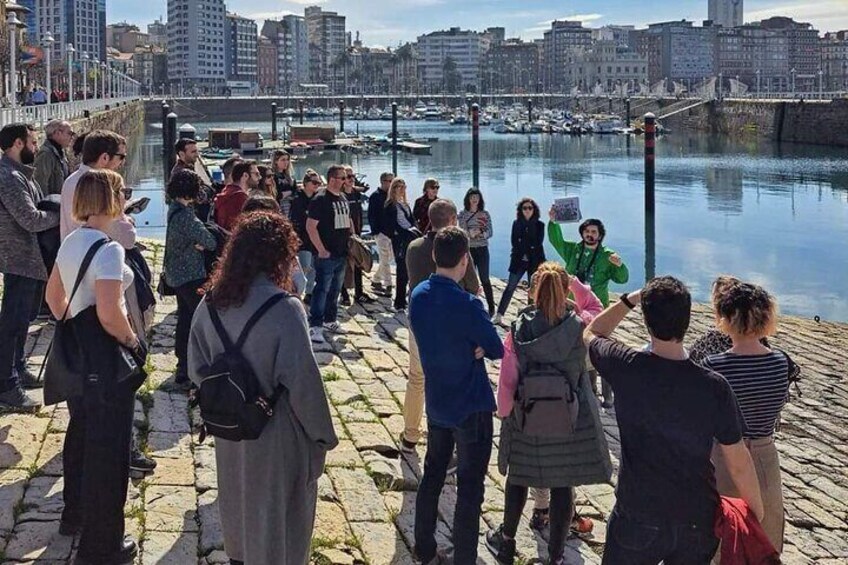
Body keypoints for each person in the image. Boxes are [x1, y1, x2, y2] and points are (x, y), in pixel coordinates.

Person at [188, 211, 338, 564]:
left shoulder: (209, 303)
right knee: (277, 525)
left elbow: (196, 368)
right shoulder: (285, 309)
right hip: (276, 434)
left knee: (239, 508)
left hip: (230, 431)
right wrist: (323, 438)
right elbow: (304, 385)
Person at [585, 276, 764, 564]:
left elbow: (593, 331)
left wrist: (632, 298)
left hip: (638, 513)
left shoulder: (626, 365)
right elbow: (739, 462)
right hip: (697, 517)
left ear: (647, 321)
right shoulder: (714, 386)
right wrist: (755, 516)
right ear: (687, 318)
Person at [45, 170, 143, 564]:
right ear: (111, 200)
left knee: (81, 434)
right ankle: (103, 544)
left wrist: (76, 329)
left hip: (80, 355)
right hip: (106, 356)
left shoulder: (71, 240)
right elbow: (109, 310)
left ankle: (75, 514)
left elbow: (54, 297)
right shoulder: (109, 250)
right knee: (110, 449)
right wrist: (132, 341)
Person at [486, 262, 607, 565]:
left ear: (532, 293)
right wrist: (574, 283)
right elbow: (596, 305)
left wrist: (504, 412)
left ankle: (507, 542)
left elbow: (507, 379)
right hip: (568, 419)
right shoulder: (581, 326)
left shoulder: (518, 330)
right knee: (562, 486)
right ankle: (555, 556)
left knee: (519, 479)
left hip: (528, 417)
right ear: (564, 290)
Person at [410, 226, 504, 565]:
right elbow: (496, 348)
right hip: (471, 405)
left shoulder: (418, 294)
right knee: (470, 488)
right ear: (465, 260)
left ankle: (424, 547)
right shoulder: (468, 304)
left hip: (438, 403)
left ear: (434, 255)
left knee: (432, 475)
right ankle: (464, 557)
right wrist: (475, 345)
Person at [703, 281, 791, 554]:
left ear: (725, 319)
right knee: (766, 531)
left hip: (723, 455)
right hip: (765, 453)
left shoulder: (714, 366)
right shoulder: (781, 362)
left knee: (720, 534)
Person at [400, 199, 479, 454]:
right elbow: (473, 286)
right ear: (453, 220)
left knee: (417, 378)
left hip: (420, 320)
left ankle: (410, 435)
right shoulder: (459, 250)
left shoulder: (413, 247)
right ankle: (451, 442)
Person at [0, 123, 60, 410]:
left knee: (23, 319)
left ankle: (18, 367)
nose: (37, 148)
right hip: (18, 258)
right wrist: (62, 217)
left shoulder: (21, 174)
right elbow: (30, 219)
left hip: (29, 258)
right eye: (33, 143)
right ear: (17, 144)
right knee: (12, 323)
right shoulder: (9, 177)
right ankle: (7, 384)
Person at [548, 216, 628, 408]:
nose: (589, 235)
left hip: (597, 310)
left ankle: (607, 395)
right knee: (581, 350)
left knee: (600, 351)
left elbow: (623, 279)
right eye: (587, 231)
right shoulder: (574, 250)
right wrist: (553, 221)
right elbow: (556, 240)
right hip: (575, 310)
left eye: (593, 232)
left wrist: (620, 265)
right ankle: (589, 390)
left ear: (600, 235)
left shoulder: (607, 255)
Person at [163, 169, 217, 385]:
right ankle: (197, 364)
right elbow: (211, 241)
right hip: (192, 275)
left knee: (185, 320)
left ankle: (182, 365)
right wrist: (201, 244)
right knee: (201, 320)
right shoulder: (187, 216)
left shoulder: (173, 209)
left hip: (175, 275)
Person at [306, 165, 351, 344]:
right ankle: (315, 324)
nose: (345, 181)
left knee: (335, 289)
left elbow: (347, 221)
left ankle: (330, 320)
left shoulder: (343, 198)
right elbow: (311, 226)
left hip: (341, 252)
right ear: (333, 179)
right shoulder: (320, 200)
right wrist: (321, 249)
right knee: (321, 289)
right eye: (342, 177)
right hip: (326, 254)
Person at [61, 130, 127, 239]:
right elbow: (122, 236)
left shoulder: (73, 180)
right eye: (121, 157)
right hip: (94, 252)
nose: (122, 162)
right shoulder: (92, 186)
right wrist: (124, 217)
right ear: (104, 158)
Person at [494, 198, 546, 326]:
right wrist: (525, 251)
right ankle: (499, 315)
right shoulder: (516, 224)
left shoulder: (540, 225)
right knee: (510, 286)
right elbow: (514, 242)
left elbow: (537, 243)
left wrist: (525, 247)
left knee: (533, 289)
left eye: (530, 208)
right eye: (525, 208)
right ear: (520, 210)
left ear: (534, 210)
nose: (527, 210)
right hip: (519, 259)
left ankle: (530, 316)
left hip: (535, 260)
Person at [340, 165, 375, 305]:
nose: (351, 179)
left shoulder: (356, 193)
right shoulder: (340, 196)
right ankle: (343, 294)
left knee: (359, 262)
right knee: (343, 264)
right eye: (348, 177)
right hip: (344, 234)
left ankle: (359, 293)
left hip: (357, 233)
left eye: (352, 176)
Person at [458, 187, 495, 317]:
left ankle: (491, 307)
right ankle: (468, 305)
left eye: (477, 197)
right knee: (468, 279)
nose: (474, 200)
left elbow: (490, 231)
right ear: (468, 199)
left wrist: (481, 233)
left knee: (485, 278)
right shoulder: (463, 214)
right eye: (472, 197)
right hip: (469, 249)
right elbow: (461, 231)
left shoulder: (485, 214)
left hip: (483, 249)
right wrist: (470, 234)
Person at [383, 177, 418, 312]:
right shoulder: (390, 205)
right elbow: (389, 226)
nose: (402, 189)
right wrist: (399, 233)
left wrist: (414, 230)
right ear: (394, 188)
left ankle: (407, 298)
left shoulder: (405, 204)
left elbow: (412, 220)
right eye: (399, 186)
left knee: (410, 269)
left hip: (410, 236)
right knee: (401, 270)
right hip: (400, 240)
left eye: (404, 186)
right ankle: (399, 302)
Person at [290, 170, 321, 302]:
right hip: (303, 238)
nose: (317, 185)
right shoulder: (298, 199)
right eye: (314, 182)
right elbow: (296, 220)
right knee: (305, 267)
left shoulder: (318, 199)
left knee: (313, 267)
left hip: (316, 237)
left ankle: (309, 292)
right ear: (306, 183)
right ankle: (298, 292)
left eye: (319, 183)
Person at [368, 171, 394, 296]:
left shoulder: (393, 196)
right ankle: (389, 284)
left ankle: (376, 279)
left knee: (389, 257)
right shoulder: (375, 196)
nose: (390, 183)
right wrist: (376, 232)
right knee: (385, 259)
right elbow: (371, 215)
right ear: (382, 181)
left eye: (392, 181)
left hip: (391, 232)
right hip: (381, 233)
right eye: (388, 181)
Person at [213, 160, 258, 232]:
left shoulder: (226, 191)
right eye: (256, 174)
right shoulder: (240, 197)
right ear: (245, 176)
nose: (260, 177)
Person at [34, 119, 74, 196]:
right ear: (58, 133)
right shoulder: (46, 154)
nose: (72, 137)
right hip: (52, 205)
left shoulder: (61, 151)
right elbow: (40, 184)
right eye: (70, 133)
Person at [272, 149, 296, 217]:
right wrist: (290, 192)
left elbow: (295, 192)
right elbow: (277, 195)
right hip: (278, 210)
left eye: (287, 159)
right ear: (276, 161)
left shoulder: (290, 178)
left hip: (291, 210)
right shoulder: (272, 176)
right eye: (283, 160)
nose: (286, 162)